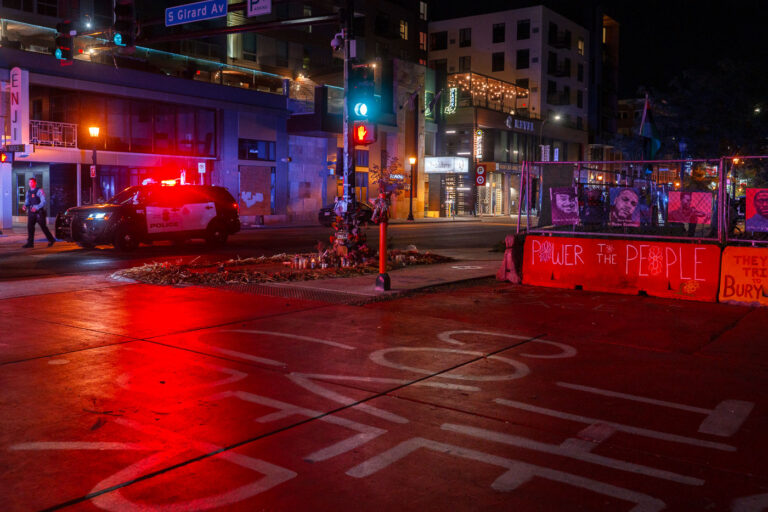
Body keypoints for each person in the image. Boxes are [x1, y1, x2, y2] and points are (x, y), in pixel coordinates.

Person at [22, 177, 55, 248]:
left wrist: (36, 207)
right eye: (29, 182)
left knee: (43, 227)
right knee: (30, 227)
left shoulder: (39, 191)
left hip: (39, 213)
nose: (30, 184)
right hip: (31, 212)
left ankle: (51, 239)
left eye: (32, 182)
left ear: (35, 183)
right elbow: (27, 201)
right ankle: (30, 243)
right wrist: (25, 206)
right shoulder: (28, 192)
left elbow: (43, 201)